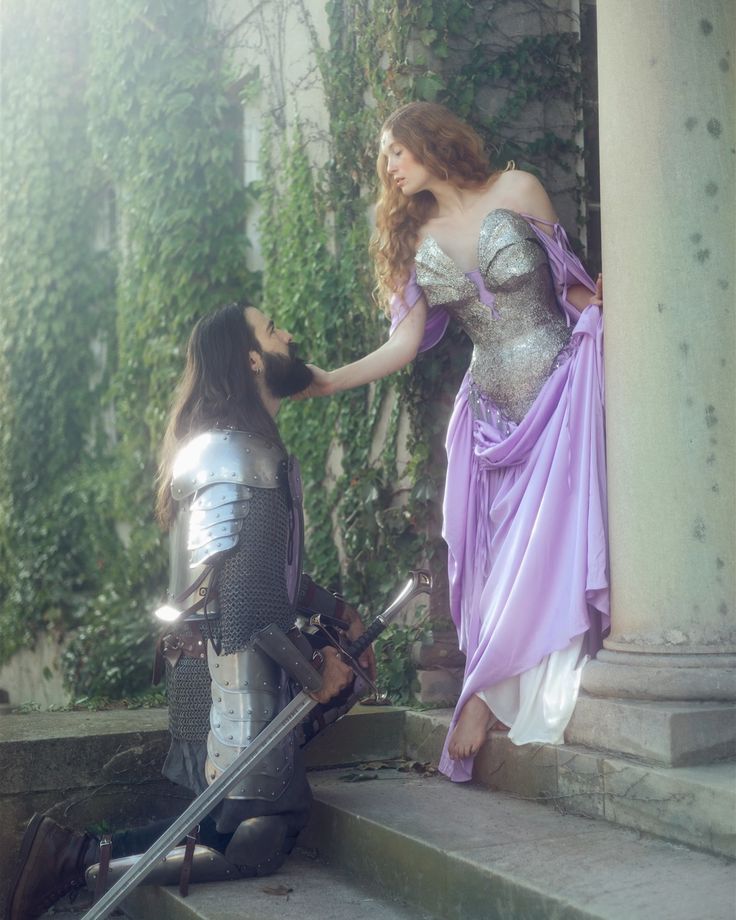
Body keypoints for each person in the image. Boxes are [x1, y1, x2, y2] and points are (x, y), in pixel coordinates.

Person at [6, 302, 374, 920]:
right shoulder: (238, 455)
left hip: (221, 678)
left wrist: (339, 611)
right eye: (272, 328)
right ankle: (70, 861)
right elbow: (245, 605)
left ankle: (67, 852)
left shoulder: (232, 449)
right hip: (236, 687)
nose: (286, 333)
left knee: (226, 832)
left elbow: (264, 579)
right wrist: (318, 675)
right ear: (253, 359)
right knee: (260, 839)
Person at [301, 101, 609, 783]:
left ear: (430, 140)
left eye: (396, 151)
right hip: (492, 415)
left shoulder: (518, 189)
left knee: (546, 551)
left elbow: (571, 286)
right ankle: (493, 688)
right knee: (497, 564)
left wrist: (615, 307)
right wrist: (328, 383)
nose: (389, 167)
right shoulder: (415, 238)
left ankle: (484, 697)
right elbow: (403, 345)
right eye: (385, 159)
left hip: (558, 393)